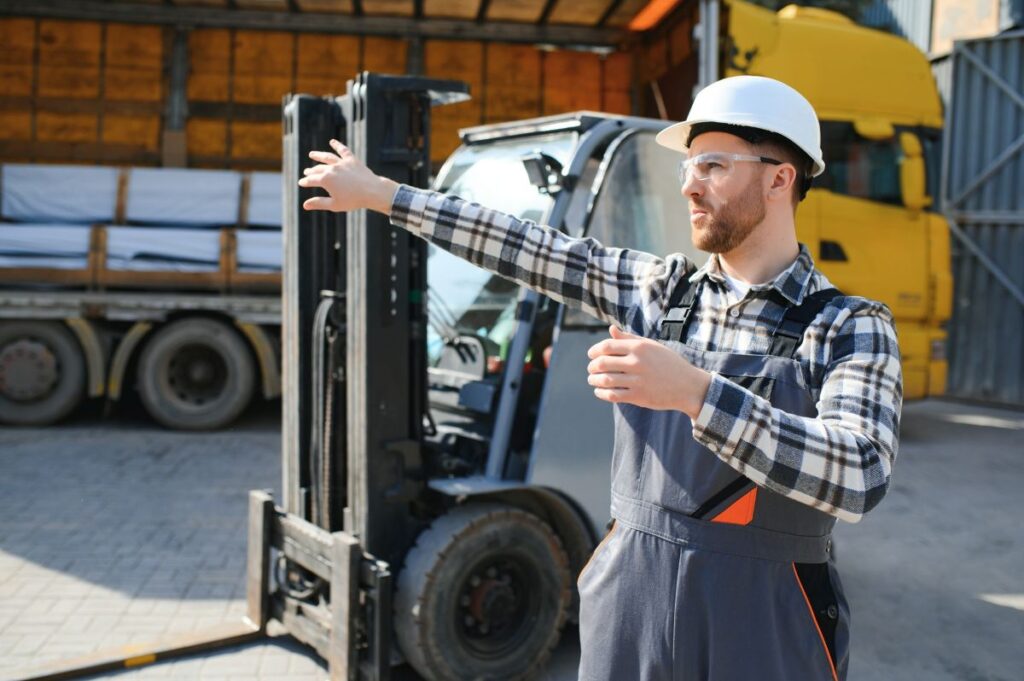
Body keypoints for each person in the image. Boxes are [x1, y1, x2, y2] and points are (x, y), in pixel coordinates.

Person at [299, 75, 902, 681]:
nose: (690, 184)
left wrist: (697, 393)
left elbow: (858, 474)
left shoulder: (849, 326)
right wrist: (384, 196)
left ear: (779, 178)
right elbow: (527, 247)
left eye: (714, 165)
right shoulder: (660, 292)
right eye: (688, 166)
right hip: (631, 598)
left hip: (768, 614)